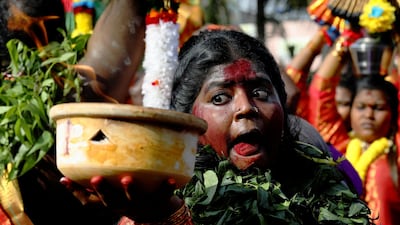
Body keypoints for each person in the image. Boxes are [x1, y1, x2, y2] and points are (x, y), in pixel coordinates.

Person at [60, 29, 374, 225]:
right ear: (185, 123)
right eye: (220, 97)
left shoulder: (321, 175)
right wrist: (170, 216)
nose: (246, 108)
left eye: (260, 93)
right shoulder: (150, 205)